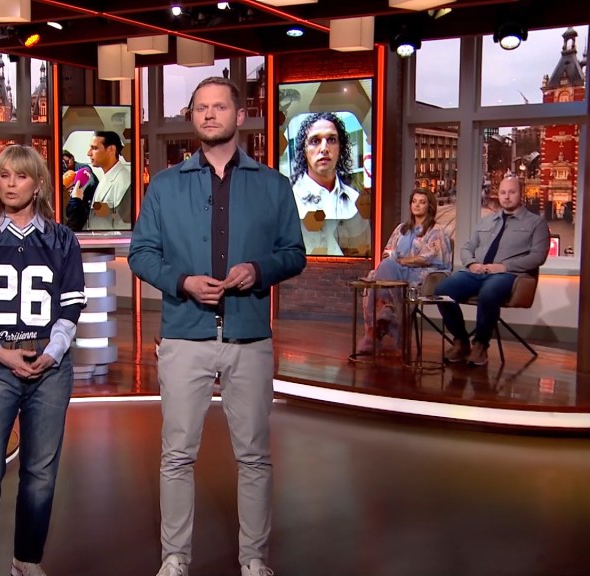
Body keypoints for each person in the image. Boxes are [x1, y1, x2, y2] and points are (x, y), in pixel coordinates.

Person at [129, 77, 306, 576]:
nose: (209, 115)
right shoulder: (165, 186)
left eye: (219, 107)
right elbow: (142, 253)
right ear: (193, 117)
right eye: (201, 108)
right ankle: (174, 558)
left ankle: (254, 558)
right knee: (176, 455)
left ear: (240, 115)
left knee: (254, 456)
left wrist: (259, 270)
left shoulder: (273, 185)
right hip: (185, 335)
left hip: (249, 337)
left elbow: (294, 253)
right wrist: (182, 281)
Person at [0, 145, 86, 576]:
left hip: (49, 368)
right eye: (3, 175)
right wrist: (0, 352)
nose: (10, 184)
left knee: (40, 473)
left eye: (20, 176)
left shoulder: (62, 240)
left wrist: (52, 353)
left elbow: (71, 306)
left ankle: (26, 561)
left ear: (38, 184)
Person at [436, 175, 550, 366]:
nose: (507, 196)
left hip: (507, 275)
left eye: (512, 192)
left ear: (521, 194)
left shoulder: (536, 223)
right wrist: (471, 263)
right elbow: (467, 247)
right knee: (442, 291)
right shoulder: (486, 221)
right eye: (503, 192)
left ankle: (481, 345)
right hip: (476, 272)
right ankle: (461, 341)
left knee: (488, 294)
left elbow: (538, 257)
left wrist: (504, 267)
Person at [358, 189, 452, 353]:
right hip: (396, 271)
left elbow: (429, 257)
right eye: (414, 201)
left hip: (419, 274)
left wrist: (402, 261)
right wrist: (393, 257)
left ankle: (376, 330)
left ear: (429, 206)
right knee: (385, 266)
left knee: (387, 268)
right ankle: (386, 311)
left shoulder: (436, 230)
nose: (417, 205)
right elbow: (387, 252)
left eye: (422, 202)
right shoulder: (401, 229)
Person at [290, 112, 371, 256]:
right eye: (315, 141)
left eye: (331, 140)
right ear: (304, 150)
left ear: (341, 148)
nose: (324, 149)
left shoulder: (355, 201)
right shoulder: (288, 199)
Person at [85, 130, 132, 230]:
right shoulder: (106, 175)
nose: (89, 153)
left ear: (111, 149)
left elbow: (124, 227)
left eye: (94, 148)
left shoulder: (124, 181)